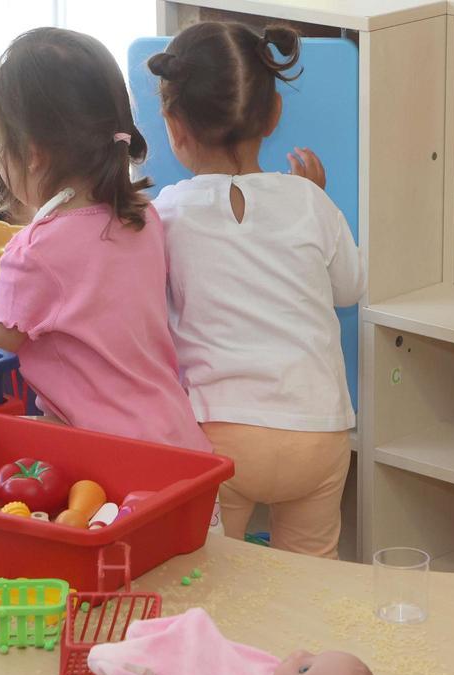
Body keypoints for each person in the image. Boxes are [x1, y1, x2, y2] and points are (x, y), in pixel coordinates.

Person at [0, 27, 211, 454]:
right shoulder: (141, 213)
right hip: (179, 440)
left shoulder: (36, 252)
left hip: (115, 457)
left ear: (32, 153)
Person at [147, 22, 366, 557]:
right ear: (274, 115)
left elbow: (148, 310)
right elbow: (349, 290)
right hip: (317, 430)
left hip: (220, 436)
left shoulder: (165, 213)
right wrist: (315, 200)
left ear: (174, 127)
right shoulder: (310, 201)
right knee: (313, 574)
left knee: (216, 573)